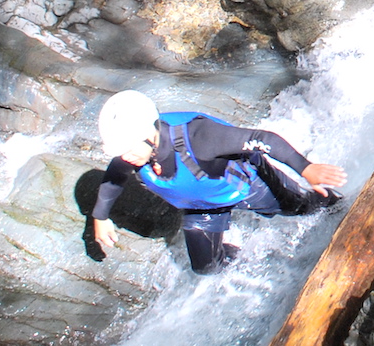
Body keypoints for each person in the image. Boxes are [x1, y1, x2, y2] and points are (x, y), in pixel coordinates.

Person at [91, 90, 347, 274]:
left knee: (302, 207)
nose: (125, 158)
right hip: (202, 205)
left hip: (247, 187)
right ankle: (252, 261)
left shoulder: (199, 138)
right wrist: (100, 217)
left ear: (149, 135)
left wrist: (306, 168)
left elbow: (262, 138)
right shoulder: (135, 151)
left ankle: (343, 204)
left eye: (128, 150)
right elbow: (116, 174)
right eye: (120, 152)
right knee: (206, 267)